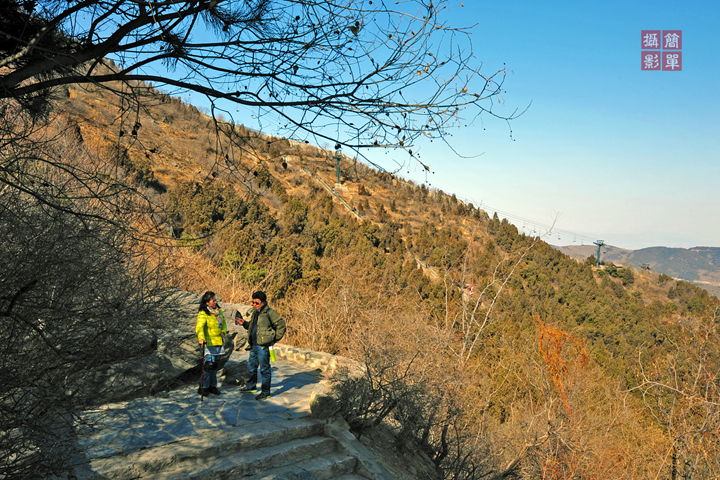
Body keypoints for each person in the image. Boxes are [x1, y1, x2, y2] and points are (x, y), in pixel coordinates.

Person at [236, 291, 286, 400]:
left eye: (257, 303)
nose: (254, 305)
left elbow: (282, 326)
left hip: (263, 346)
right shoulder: (256, 312)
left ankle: (265, 392)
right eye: (253, 302)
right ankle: (251, 386)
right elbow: (253, 326)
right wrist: (244, 323)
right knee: (251, 367)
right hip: (253, 345)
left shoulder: (270, 313)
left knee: (264, 370)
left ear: (263, 302)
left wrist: (274, 339)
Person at [196, 291, 228, 396]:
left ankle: (212, 386)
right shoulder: (203, 313)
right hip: (209, 344)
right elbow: (199, 327)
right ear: (207, 302)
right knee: (208, 366)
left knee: (215, 366)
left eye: (215, 300)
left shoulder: (219, 311)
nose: (215, 302)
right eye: (213, 300)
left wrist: (224, 331)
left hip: (218, 342)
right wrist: (201, 338)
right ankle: (203, 387)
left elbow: (224, 323)